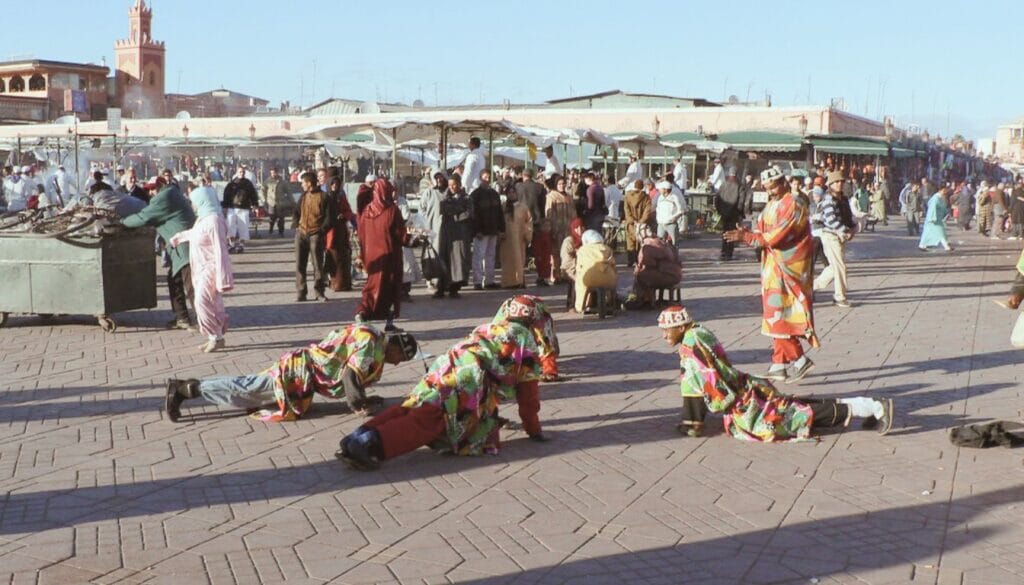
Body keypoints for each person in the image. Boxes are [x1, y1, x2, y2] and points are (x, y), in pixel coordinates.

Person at [657, 305, 894, 441]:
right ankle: (866, 406)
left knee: (793, 417)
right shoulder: (698, 332)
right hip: (746, 388)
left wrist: (693, 424)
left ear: (680, 327)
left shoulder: (690, 346)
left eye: (667, 330)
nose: (665, 335)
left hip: (743, 400)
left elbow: (700, 385)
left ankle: (876, 407)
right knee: (794, 408)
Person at [336, 321, 544, 470]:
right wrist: (534, 430)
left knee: (415, 404)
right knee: (432, 418)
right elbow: (529, 398)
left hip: (449, 361)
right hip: (469, 372)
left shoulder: (499, 324)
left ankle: (356, 436)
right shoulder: (529, 349)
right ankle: (367, 444)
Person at [165, 325, 419, 423]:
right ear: (396, 346)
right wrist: (359, 405)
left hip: (301, 369)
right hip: (298, 374)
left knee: (251, 391)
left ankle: (190, 388)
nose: (397, 363)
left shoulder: (372, 336)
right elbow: (350, 376)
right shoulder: (372, 347)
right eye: (401, 358)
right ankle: (186, 389)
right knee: (247, 390)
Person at [724, 166, 818, 383]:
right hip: (773, 267)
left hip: (788, 267)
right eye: (767, 188)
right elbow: (764, 231)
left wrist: (746, 237)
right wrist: (749, 233)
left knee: (778, 316)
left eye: (773, 186)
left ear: (783, 182)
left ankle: (799, 360)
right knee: (776, 314)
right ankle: (778, 365)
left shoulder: (793, 203)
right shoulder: (773, 203)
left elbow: (777, 236)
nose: (771, 191)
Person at [168, 175, 234, 353]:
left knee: (201, 303)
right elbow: (195, 234)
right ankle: (215, 336)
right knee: (211, 304)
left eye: (194, 201)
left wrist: (223, 277)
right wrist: (179, 238)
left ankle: (215, 335)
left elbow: (221, 250)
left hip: (211, 268)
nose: (193, 205)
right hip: (201, 267)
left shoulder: (214, 221)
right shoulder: (203, 219)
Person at [121, 177, 197, 330]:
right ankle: (182, 318)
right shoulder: (172, 193)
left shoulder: (165, 196)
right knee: (174, 281)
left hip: (184, 247)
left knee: (192, 287)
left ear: (161, 185)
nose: (150, 192)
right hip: (182, 246)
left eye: (153, 188)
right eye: (148, 189)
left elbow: (144, 217)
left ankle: (207, 322)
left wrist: (121, 222)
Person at [356, 178, 412, 327]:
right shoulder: (392, 211)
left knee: (372, 286)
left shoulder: (366, 211)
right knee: (392, 288)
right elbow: (402, 236)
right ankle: (389, 320)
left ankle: (364, 311)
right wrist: (415, 240)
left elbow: (361, 234)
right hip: (390, 256)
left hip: (372, 256)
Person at [492, 295, 561, 381]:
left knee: (547, 342)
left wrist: (550, 371)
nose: (518, 327)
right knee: (503, 341)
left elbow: (546, 345)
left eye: (522, 324)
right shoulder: (503, 313)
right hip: (510, 316)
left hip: (537, 310)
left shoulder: (540, 318)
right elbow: (493, 338)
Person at [812, 171, 855, 308]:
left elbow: (847, 216)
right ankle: (840, 297)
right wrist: (845, 230)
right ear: (830, 184)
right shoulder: (828, 199)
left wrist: (852, 227)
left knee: (834, 267)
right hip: (830, 235)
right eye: (836, 182)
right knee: (840, 266)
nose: (839, 184)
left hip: (840, 235)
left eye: (841, 181)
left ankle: (809, 287)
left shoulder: (843, 198)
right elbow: (830, 220)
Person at [622, 224, 681, 310]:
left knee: (640, 276)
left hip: (666, 275)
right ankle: (645, 299)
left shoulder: (648, 245)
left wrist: (637, 270)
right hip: (675, 273)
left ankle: (644, 300)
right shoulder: (661, 241)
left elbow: (646, 264)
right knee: (643, 274)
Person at [293, 171, 331, 302]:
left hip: (316, 234)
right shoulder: (303, 196)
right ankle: (301, 291)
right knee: (300, 264)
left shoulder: (324, 197)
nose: (302, 185)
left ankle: (319, 292)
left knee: (317, 265)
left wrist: (322, 231)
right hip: (301, 233)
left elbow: (329, 218)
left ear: (309, 183)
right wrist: (296, 225)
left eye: (303, 183)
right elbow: (296, 212)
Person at [434, 174, 472, 298]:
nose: (452, 187)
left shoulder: (466, 198)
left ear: (459, 184)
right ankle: (441, 287)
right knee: (444, 258)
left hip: (460, 233)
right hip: (446, 233)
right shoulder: (446, 197)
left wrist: (455, 213)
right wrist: (458, 210)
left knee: (459, 260)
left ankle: (454, 288)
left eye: (454, 184)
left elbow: (468, 213)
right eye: (450, 185)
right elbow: (443, 209)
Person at [470, 168, 505, 290]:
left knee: (491, 256)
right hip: (481, 231)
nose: (487, 180)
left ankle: (489, 280)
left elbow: (499, 213)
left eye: (488, 177)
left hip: (493, 230)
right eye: (485, 177)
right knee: (479, 256)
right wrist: (476, 230)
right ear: (480, 178)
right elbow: (473, 215)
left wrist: (501, 229)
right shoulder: (475, 195)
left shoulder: (495, 194)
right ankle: (478, 281)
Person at [515, 169, 550, 286]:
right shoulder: (540, 188)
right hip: (537, 221)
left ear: (523, 175)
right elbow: (543, 205)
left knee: (521, 250)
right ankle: (541, 277)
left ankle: (520, 278)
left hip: (522, 221)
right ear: (533, 176)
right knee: (539, 251)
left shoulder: (518, 187)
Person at [324, 174, 355, 292]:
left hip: (341, 231)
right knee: (333, 258)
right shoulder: (325, 198)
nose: (334, 186)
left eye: (336, 184)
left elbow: (348, 211)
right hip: (330, 232)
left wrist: (344, 215)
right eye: (332, 184)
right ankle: (334, 283)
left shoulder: (341, 197)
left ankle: (345, 284)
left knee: (344, 258)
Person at [573, 230, 616, 313]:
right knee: (611, 280)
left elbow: (579, 268)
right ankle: (609, 302)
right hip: (608, 278)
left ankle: (582, 305)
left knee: (580, 283)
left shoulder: (583, 250)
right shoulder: (607, 248)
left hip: (590, 278)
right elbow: (614, 265)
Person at [545, 175, 576, 283]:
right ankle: (556, 275)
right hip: (556, 229)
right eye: (559, 184)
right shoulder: (551, 196)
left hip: (568, 230)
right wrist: (551, 228)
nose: (562, 186)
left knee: (567, 253)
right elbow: (548, 214)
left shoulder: (569, 197)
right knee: (556, 253)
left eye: (563, 184)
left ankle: (566, 274)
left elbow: (574, 214)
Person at [500, 189, 533, 288]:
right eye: (509, 193)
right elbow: (499, 221)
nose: (511, 194)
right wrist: (500, 233)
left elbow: (528, 222)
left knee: (519, 260)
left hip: (519, 239)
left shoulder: (523, 207)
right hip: (506, 240)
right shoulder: (503, 207)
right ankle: (507, 282)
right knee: (507, 261)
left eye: (513, 192)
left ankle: (519, 281)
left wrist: (528, 236)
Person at [222, 166, 259, 253]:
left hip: (244, 208)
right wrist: (225, 207)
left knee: (243, 226)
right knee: (230, 226)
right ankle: (231, 244)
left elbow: (253, 195)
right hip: (232, 208)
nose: (241, 173)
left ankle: (241, 244)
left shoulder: (248, 184)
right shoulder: (231, 184)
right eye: (240, 172)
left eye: (243, 172)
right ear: (237, 172)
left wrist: (255, 205)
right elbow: (226, 196)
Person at [715, 168, 748, 260]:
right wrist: (739, 213)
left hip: (724, 213)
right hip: (734, 213)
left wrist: (719, 211)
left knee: (725, 232)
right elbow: (741, 202)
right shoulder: (739, 185)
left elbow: (717, 199)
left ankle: (723, 251)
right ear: (736, 174)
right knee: (732, 233)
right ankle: (729, 252)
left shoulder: (723, 185)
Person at [623, 179, 652, 267]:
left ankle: (630, 260)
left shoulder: (627, 196)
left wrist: (631, 220)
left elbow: (626, 210)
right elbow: (647, 211)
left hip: (630, 223)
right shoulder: (646, 197)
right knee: (640, 241)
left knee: (630, 242)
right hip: (641, 224)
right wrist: (641, 221)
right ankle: (639, 260)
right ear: (642, 187)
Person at [261, 167, 294, 237]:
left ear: (277, 172)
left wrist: (292, 201)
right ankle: (271, 228)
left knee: (281, 218)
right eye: (271, 173)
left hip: (280, 203)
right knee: (272, 218)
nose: (273, 174)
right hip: (271, 203)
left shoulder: (283, 181)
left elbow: (288, 192)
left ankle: (281, 231)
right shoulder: (267, 181)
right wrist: (264, 200)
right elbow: (262, 191)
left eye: (274, 173)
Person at [919, 185, 954, 252]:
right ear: (940, 190)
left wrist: (946, 213)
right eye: (944, 190)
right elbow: (932, 209)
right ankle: (946, 246)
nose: (945, 191)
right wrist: (932, 217)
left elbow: (943, 208)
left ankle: (922, 245)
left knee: (928, 233)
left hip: (938, 218)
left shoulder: (941, 198)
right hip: (933, 219)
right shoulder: (936, 198)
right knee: (941, 232)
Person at [653, 180, 684, 246]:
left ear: (665, 189)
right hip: (661, 224)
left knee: (674, 243)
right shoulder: (659, 197)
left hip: (671, 224)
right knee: (660, 243)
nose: (659, 190)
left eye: (661, 189)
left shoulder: (674, 197)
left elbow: (680, 210)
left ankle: (675, 255)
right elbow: (656, 208)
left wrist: (675, 218)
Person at [559, 218, 584, 284]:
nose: (579, 230)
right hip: (570, 269)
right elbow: (567, 261)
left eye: (581, 227)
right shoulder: (568, 241)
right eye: (576, 228)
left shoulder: (586, 239)